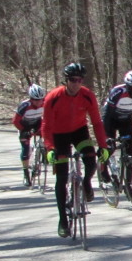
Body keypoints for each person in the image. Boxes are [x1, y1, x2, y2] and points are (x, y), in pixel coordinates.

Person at [41, 63, 110, 238]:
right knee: (62, 177)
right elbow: (46, 125)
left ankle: (86, 182)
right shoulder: (53, 97)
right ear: (66, 80)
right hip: (59, 135)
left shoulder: (87, 95)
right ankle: (63, 220)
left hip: (79, 131)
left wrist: (103, 146)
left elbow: (96, 122)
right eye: (73, 80)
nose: (76, 83)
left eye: (80, 80)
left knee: (90, 160)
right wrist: (49, 148)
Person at [100, 70, 132, 199]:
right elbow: (107, 115)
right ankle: (103, 169)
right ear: (129, 86)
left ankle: (128, 186)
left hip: (126, 120)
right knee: (108, 148)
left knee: (129, 155)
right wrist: (107, 137)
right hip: (110, 119)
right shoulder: (118, 93)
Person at [13, 84, 46, 186]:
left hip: (37, 123)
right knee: (25, 150)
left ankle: (43, 153)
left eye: (41, 99)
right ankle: (26, 174)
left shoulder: (45, 104)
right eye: (36, 100)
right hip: (24, 126)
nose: (39, 102)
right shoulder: (25, 106)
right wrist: (24, 131)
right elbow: (15, 121)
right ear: (31, 99)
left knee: (48, 137)